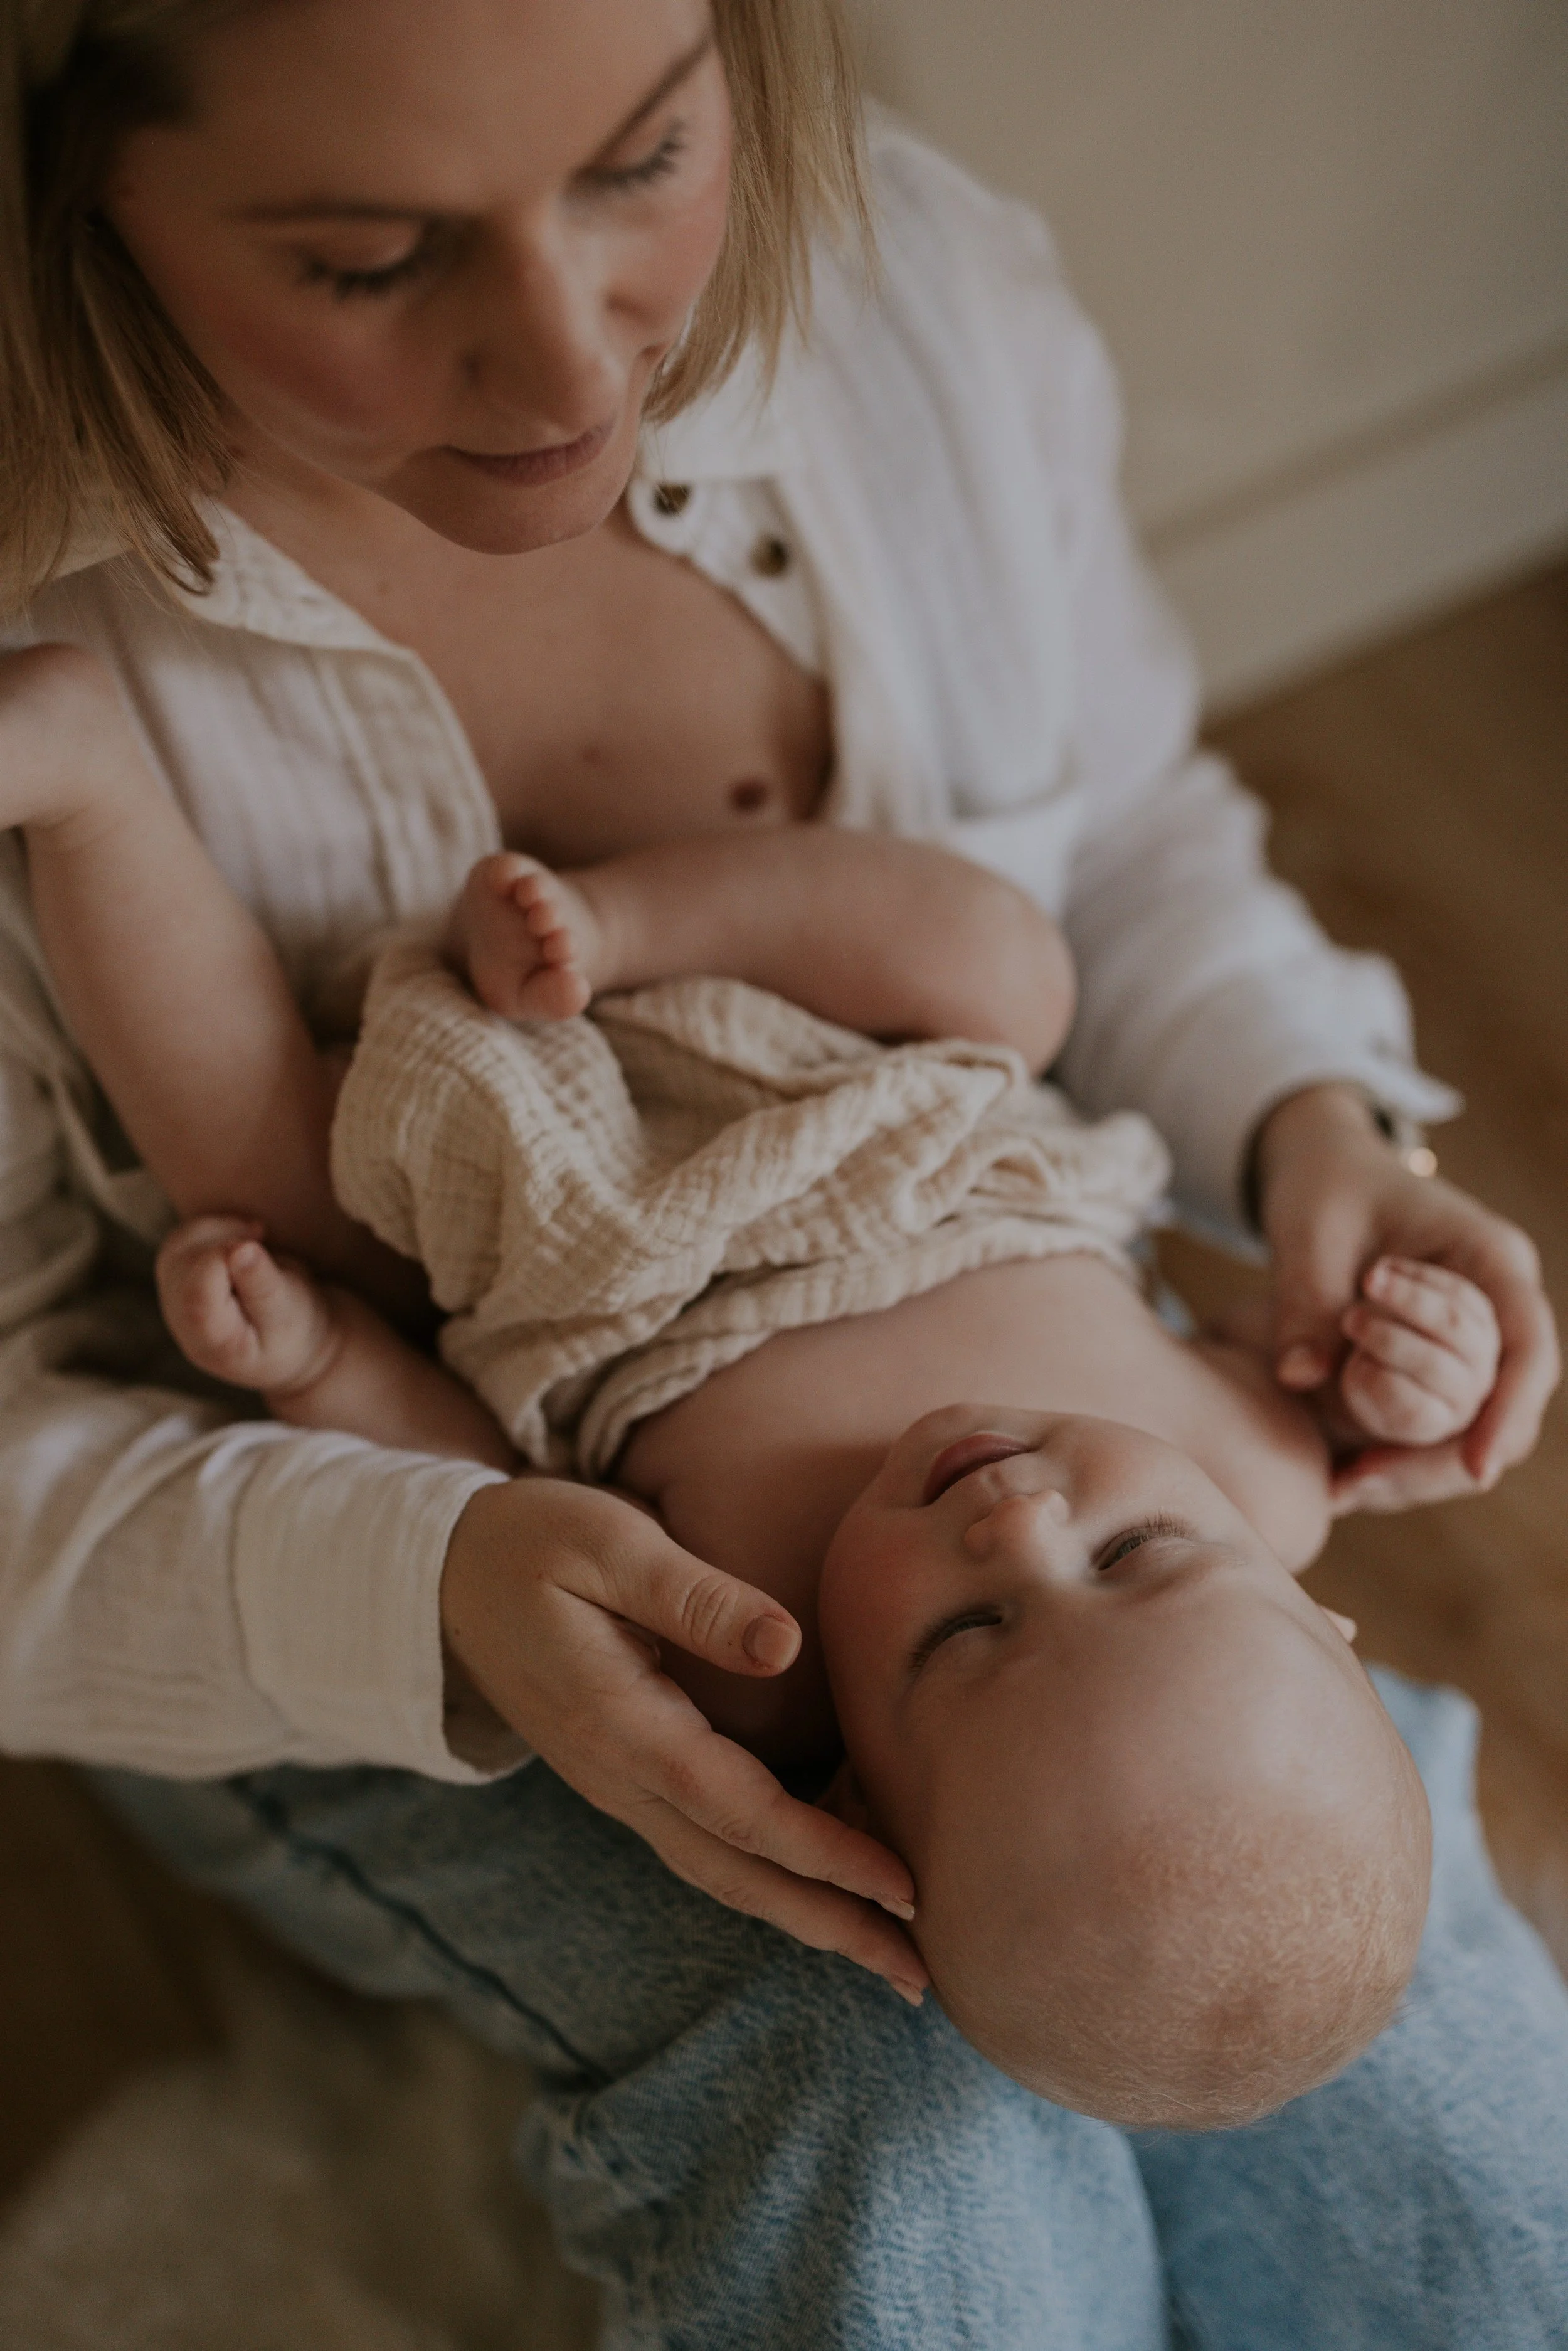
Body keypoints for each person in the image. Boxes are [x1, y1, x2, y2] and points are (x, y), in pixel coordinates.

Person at [2, 1, 1565, 2342]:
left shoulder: (912, 292)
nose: (570, 364)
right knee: (874, 2083)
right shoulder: (912, 1617)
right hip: (304, 1506)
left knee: (1357, 2024)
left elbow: (1129, 833)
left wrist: (1326, 1140)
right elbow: (387, 1446)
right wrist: (422, 1549)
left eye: (641, 157)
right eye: (365, 258)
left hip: (577, 1258)